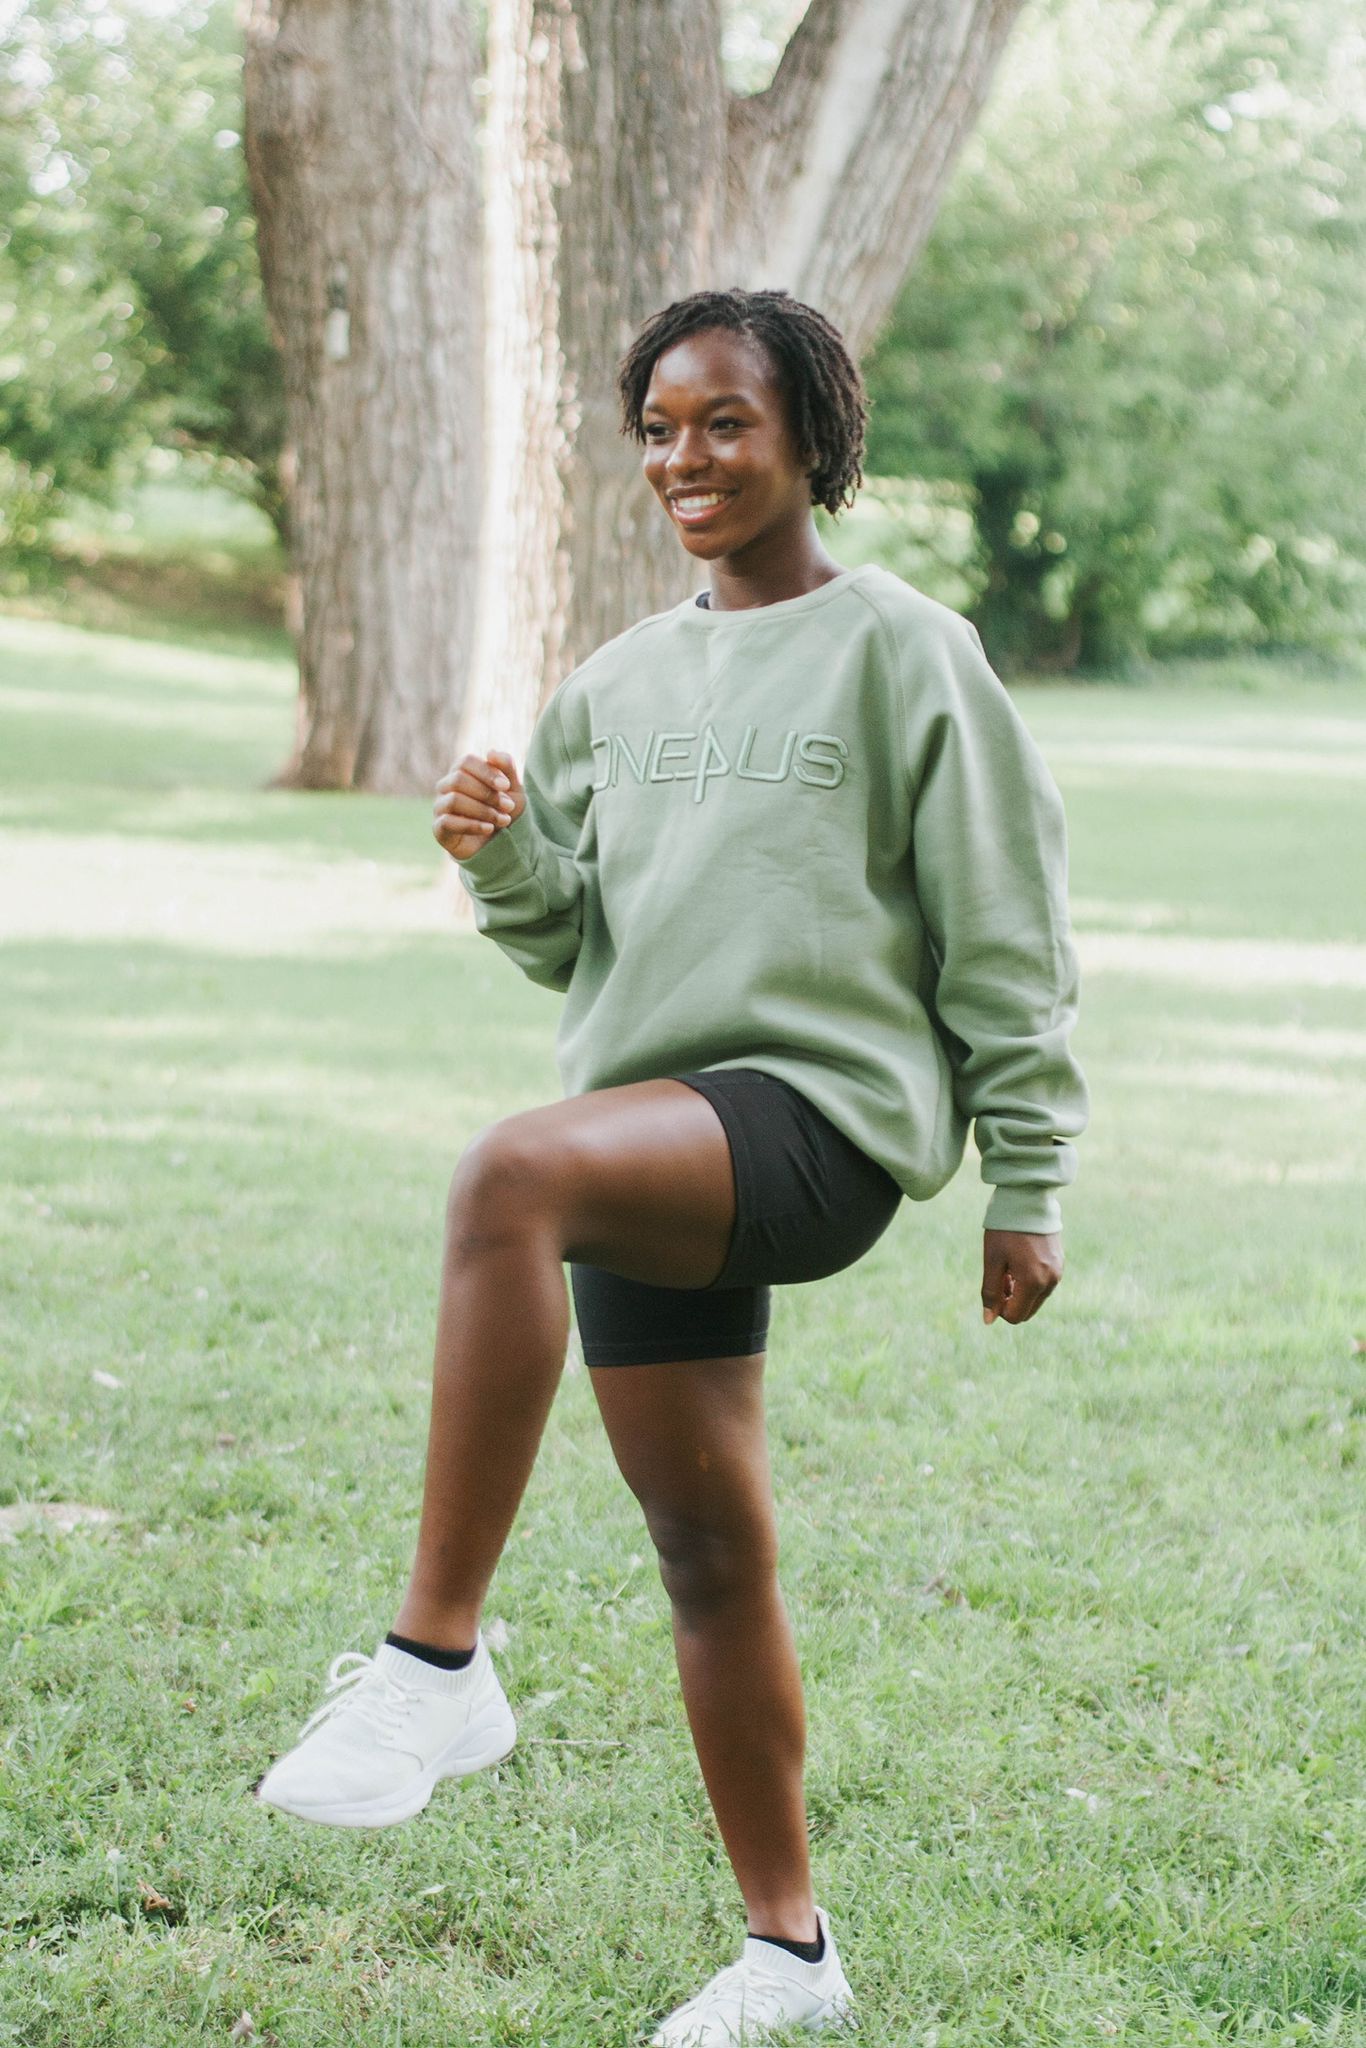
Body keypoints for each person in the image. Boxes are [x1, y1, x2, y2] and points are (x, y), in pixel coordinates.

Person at [255, 286, 1089, 2045]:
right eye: (657, 426)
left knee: (504, 1178)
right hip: (654, 1134)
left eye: (725, 421)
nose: (685, 458)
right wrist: (498, 861)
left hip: (815, 1124)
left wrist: (1027, 1176)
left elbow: (1002, 931)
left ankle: (432, 1666)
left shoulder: (904, 650)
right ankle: (790, 1956)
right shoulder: (615, 685)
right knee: (708, 1552)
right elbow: (580, 950)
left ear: (811, 439)